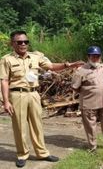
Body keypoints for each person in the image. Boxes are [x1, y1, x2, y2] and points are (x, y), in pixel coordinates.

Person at [0, 30, 84, 168]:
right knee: (19, 126)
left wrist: (69, 65)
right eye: (19, 42)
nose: (23, 44)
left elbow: (51, 67)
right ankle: (22, 154)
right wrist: (6, 101)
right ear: (12, 43)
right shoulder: (6, 59)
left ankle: (42, 153)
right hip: (17, 94)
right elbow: (3, 81)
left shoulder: (36, 56)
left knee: (37, 124)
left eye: (25, 42)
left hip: (33, 94)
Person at [71, 46, 103, 153]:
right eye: (93, 56)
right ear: (88, 57)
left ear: (100, 57)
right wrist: (88, 93)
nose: (95, 58)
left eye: (97, 56)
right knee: (90, 127)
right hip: (89, 103)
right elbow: (75, 87)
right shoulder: (81, 71)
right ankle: (92, 147)